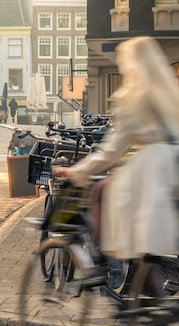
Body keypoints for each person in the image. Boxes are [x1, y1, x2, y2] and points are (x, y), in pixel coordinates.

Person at [54, 36, 179, 281]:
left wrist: (78, 172)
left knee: (99, 191)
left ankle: (101, 266)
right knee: (143, 239)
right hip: (173, 163)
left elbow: (113, 149)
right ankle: (144, 299)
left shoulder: (134, 95)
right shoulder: (170, 92)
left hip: (153, 164)